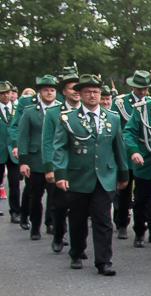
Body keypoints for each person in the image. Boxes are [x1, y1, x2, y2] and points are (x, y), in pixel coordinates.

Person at [52, 74, 129, 275]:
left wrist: (123, 174)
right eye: (88, 92)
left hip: (105, 177)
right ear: (80, 94)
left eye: (96, 92)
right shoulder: (68, 118)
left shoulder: (111, 118)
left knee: (103, 220)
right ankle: (77, 253)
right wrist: (60, 173)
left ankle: (104, 261)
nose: (93, 95)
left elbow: (118, 147)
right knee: (77, 219)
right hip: (79, 177)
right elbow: (59, 147)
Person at [123, 78, 151, 248]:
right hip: (145, 158)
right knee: (143, 196)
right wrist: (134, 150)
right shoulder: (143, 109)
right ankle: (140, 231)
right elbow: (128, 132)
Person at [42, 68, 81, 253]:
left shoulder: (87, 110)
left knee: (80, 209)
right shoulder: (53, 112)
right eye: (72, 88)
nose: (76, 92)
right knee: (60, 206)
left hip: (83, 168)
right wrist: (51, 168)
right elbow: (48, 142)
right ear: (64, 91)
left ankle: (78, 244)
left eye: (78, 88)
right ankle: (58, 235)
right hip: (61, 166)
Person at [17, 75, 58, 240]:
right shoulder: (29, 112)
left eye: (52, 90)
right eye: (46, 90)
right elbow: (23, 137)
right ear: (40, 92)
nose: (49, 93)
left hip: (55, 160)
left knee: (55, 196)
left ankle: (51, 223)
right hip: (35, 160)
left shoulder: (61, 110)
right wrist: (23, 162)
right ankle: (35, 226)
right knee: (35, 196)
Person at [113, 70, 151, 240]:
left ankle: (149, 224)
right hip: (126, 153)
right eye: (139, 88)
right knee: (124, 190)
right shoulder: (121, 102)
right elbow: (117, 128)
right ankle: (122, 223)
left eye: (145, 88)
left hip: (147, 153)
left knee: (146, 193)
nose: (142, 92)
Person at [0, 81, 20, 221]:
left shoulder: (17, 108)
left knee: (15, 183)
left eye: (7, 93)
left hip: (13, 151)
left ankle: (15, 211)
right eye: (2, 94)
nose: (5, 96)